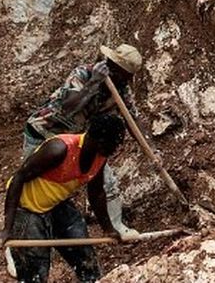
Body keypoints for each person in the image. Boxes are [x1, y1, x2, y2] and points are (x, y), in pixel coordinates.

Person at [23, 44, 144, 242]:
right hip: (45, 132)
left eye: (126, 75)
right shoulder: (83, 74)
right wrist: (93, 84)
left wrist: (151, 148)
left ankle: (116, 226)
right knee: (32, 184)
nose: (124, 79)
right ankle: (19, 241)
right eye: (118, 71)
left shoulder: (121, 90)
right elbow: (68, 106)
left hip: (77, 140)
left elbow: (134, 120)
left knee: (107, 182)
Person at [0, 114, 131, 283]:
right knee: (34, 271)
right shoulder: (59, 149)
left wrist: (108, 228)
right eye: (111, 145)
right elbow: (18, 179)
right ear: (97, 139)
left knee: (84, 256)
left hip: (56, 203)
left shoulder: (100, 155)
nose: (113, 151)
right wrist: (8, 229)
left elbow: (96, 193)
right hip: (27, 208)